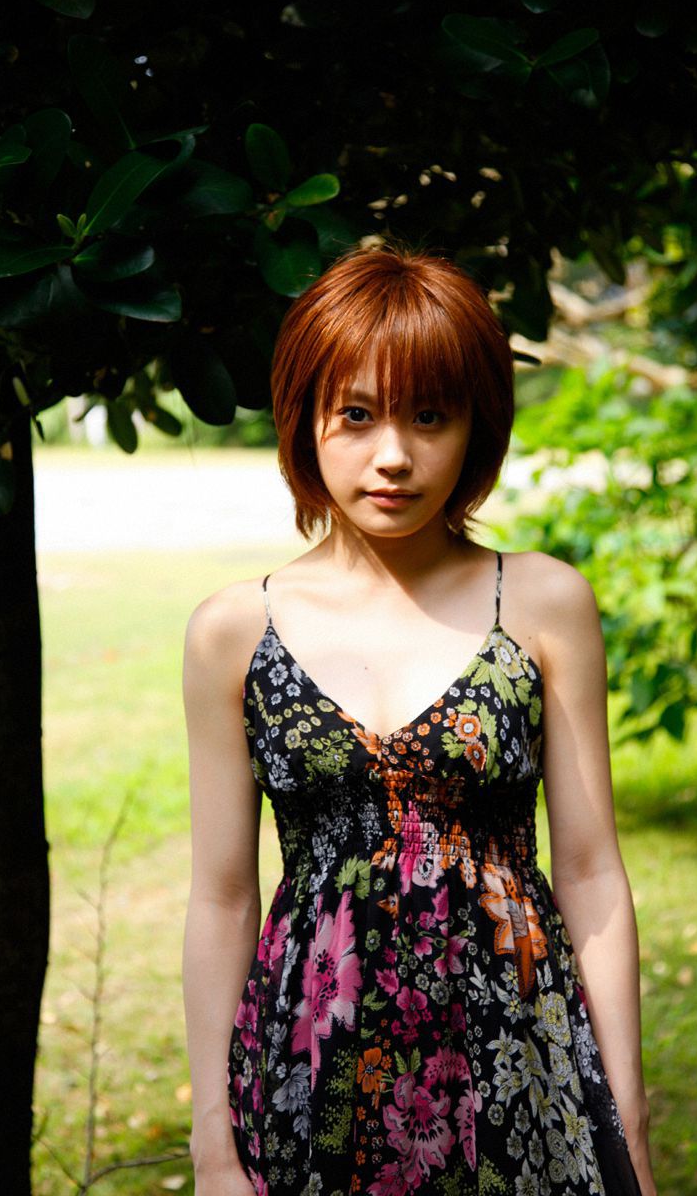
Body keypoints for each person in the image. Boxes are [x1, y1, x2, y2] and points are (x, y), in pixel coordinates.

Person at [181, 242, 657, 1196]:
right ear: (305, 419)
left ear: (475, 426)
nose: (393, 455)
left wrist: (628, 1125)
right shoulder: (234, 631)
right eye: (356, 415)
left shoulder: (543, 604)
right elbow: (222, 898)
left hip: (521, 1070)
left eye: (429, 416)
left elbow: (591, 871)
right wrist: (212, 1145)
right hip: (311, 1075)